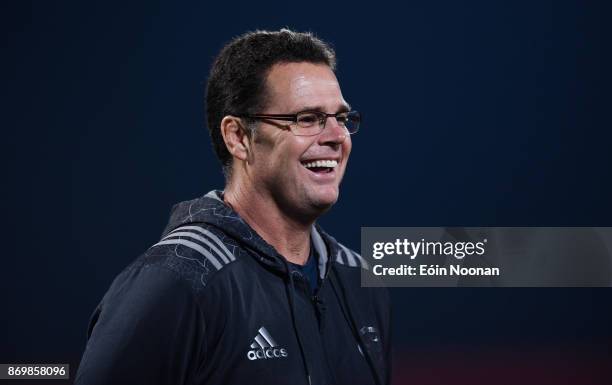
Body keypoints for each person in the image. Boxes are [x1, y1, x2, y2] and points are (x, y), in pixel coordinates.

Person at [75, 29, 391, 385]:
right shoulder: (175, 281)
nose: (336, 136)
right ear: (238, 137)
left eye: (342, 118)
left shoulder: (359, 280)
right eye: (307, 119)